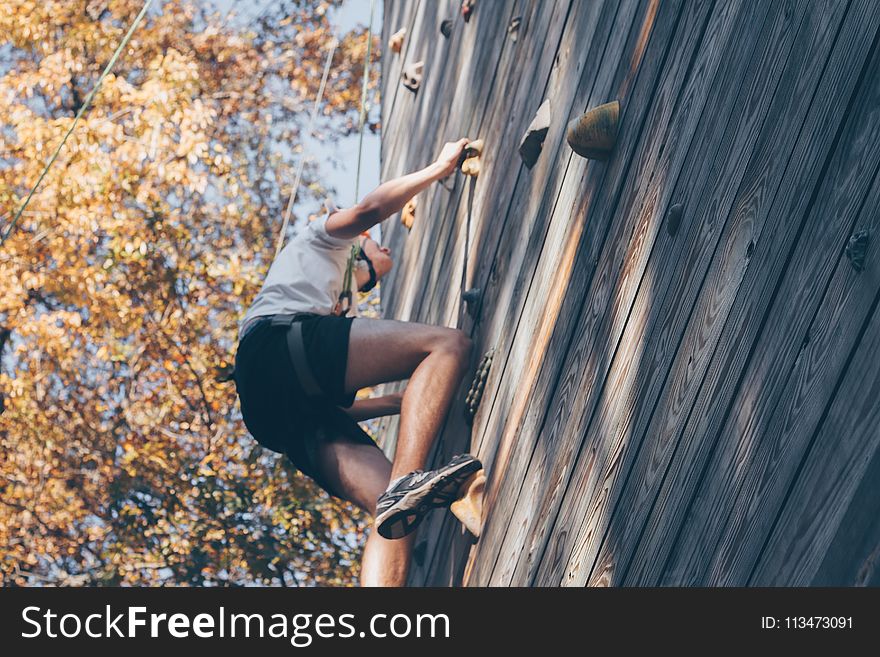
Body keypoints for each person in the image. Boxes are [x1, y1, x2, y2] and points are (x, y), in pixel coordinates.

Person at [233, 138, 482, 586]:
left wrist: (402, 402)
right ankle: (408, 485)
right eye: (375, 246)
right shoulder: (321, 239)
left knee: (394, 513)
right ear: (357, 247)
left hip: (283, 414)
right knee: (448, 346)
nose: (384, 251)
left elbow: (338, 406)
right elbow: (369, 210)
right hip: (277, 347)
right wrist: (437, 169)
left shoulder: (326, 308)